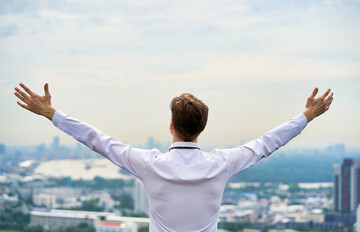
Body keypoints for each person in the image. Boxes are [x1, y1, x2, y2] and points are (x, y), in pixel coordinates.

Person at [14, 83, 333, 232]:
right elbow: (267, 143)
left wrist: (51, 113)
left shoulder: (150, 165)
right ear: (202, 128)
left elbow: (98, 140)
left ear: (170, 126)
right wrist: (306, 116)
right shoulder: (221, 164)